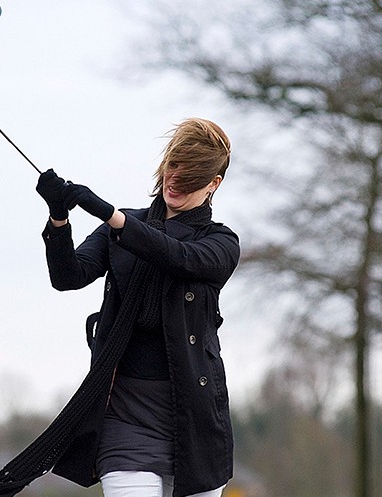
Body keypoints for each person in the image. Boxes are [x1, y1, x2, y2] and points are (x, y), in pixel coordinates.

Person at [34, 118, 240, 497]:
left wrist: (109, 214)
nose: (175, 180)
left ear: (214, 184)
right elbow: (69, 276)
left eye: (191, 176)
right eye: (173, 167)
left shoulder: (221, 243)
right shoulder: (124, 227)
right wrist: (59, 218)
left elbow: (177, 256)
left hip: (193, 423)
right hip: (125, 417)